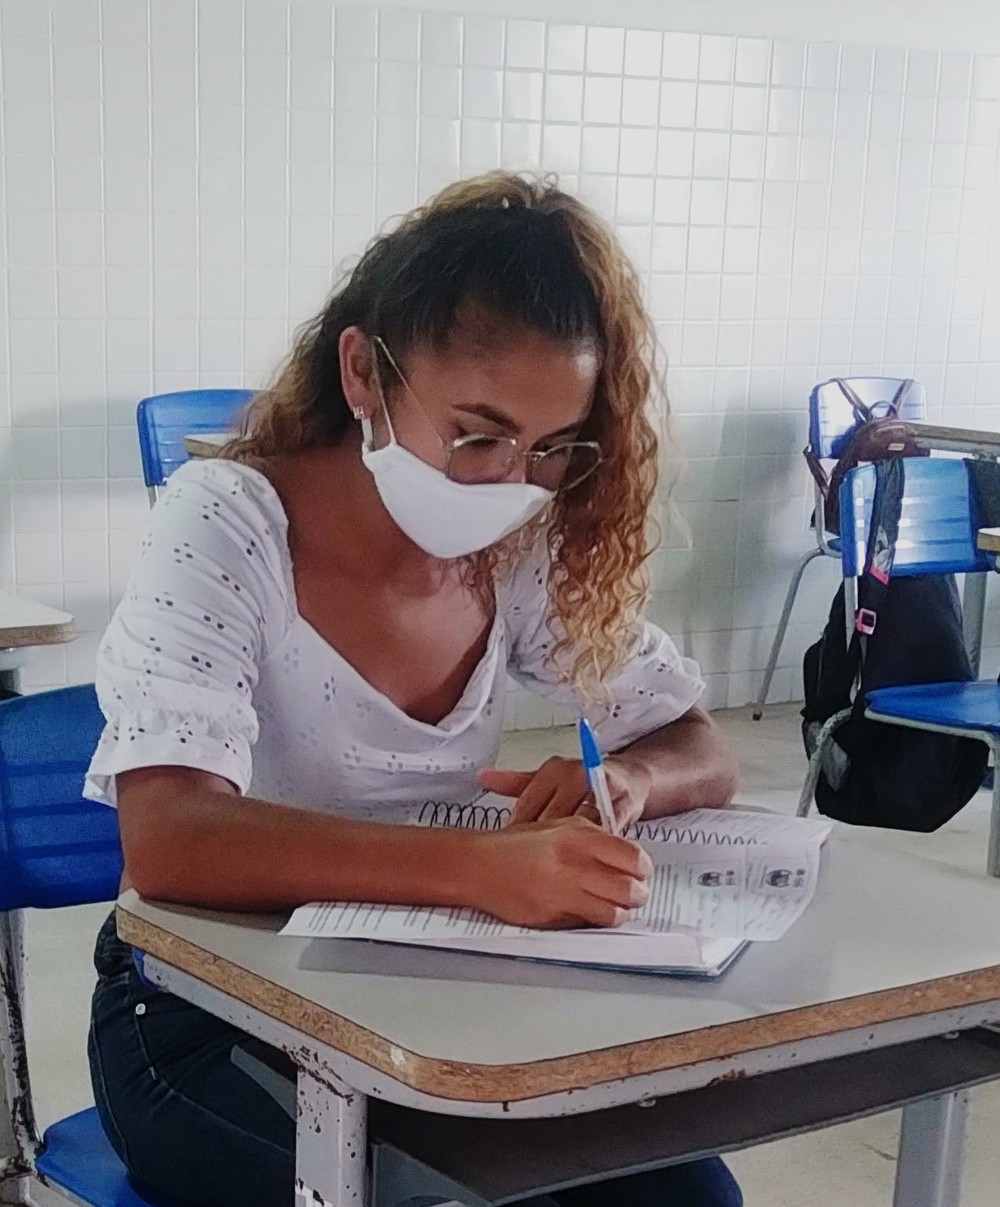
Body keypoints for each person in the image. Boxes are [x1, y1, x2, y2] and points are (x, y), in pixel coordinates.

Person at [85, 171, 741, 1207]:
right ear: (363, 373)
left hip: (423, 1005)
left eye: (551, 449)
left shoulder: (516, 551)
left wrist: (630, 781)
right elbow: (170, 839)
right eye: (477, 434)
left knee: (689, 1199)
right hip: (201, 1017)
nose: (510, 480)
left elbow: (699, 744)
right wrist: (485, 870)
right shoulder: (225, 525)